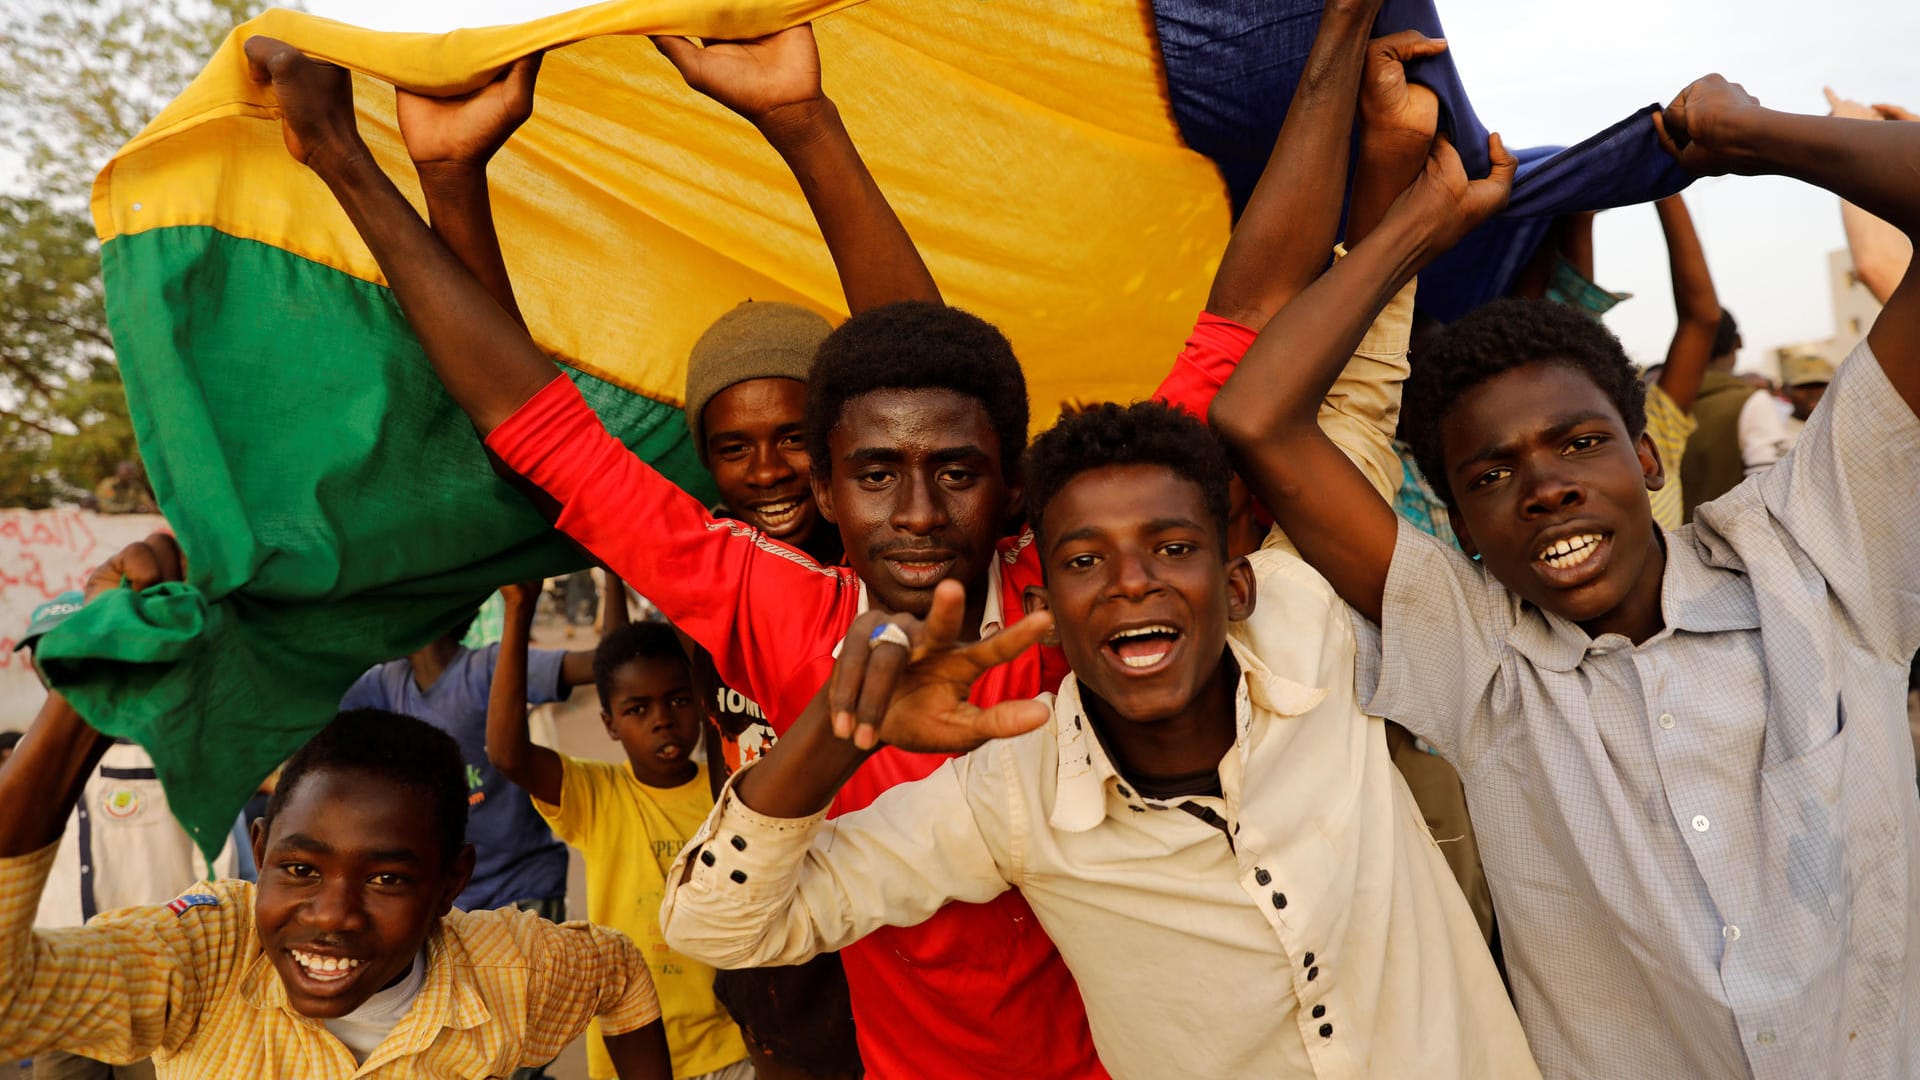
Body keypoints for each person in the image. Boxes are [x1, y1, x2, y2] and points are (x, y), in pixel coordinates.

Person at [242, 0, 1422, 1069]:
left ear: (1010, 480)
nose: (916, 514)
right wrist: (353, 161)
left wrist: (1333, 38)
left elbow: (1248, 305)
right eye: (873, 475)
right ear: (829, 487)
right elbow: (532, 425)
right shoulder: (778, 606)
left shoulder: (1101, 569)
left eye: (957, 472)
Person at [1211, 74, 1920, 1078]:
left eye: (1579, 443)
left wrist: (1743, 132)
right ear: (1458, 525)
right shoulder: (1478, 661)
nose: (1544, 487)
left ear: (1647, 457)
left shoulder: (1817, 550)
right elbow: (1254, 419)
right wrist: (1423, 225)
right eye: (1492, 474)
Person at [660, 398, 1536, 1079]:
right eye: (1083, 560)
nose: (1129, 582)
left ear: (1236, 586)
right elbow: (716, 929)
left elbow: (1351, 413)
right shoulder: (1012, 798)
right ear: (1047, 609)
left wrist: (1400, 201)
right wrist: (838, 732)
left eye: (1170, 547)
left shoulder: (1310, 622)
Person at [0, 536, 672, 1078]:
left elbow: (619, 973)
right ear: (259, 852)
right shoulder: (204, 958)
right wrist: (94, 678)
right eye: (300, 869)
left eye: (387, 879)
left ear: (449, 883)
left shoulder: (511, 971)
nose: (332, 916)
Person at [486, 584, 750, 1080]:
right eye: (637, 710)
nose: (662, 721)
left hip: (730, 1046)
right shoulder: (596, 796)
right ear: (609, 724)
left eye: (677, 701)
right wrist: (519, 610)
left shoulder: (729, 790)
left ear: (698, 702)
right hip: (627, 1049)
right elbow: (506, 754)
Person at [338, 595, 605, 920]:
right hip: (454, 898)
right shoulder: (385, 682)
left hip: (523, 889)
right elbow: (312, 698)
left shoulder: (490, 668)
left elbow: (602, 662)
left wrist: (611, 583)